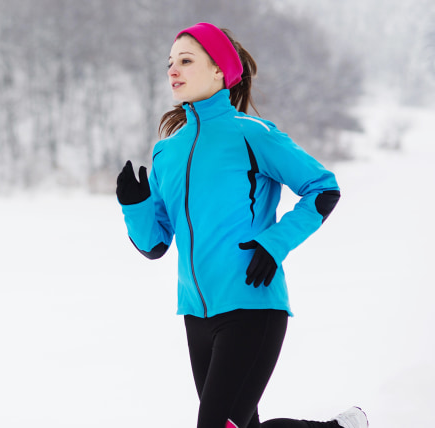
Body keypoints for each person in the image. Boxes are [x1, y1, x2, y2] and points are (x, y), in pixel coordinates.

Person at [116, 22, 367, 428]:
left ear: (219, 71)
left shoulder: (253, 135)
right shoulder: (167, 152)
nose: (173, 70)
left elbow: (323, 189)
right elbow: (156, 244)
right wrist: (134, 205)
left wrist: (274, 243)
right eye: (169, 63)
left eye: (186, 60)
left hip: (252, 303)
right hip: (196, 314)